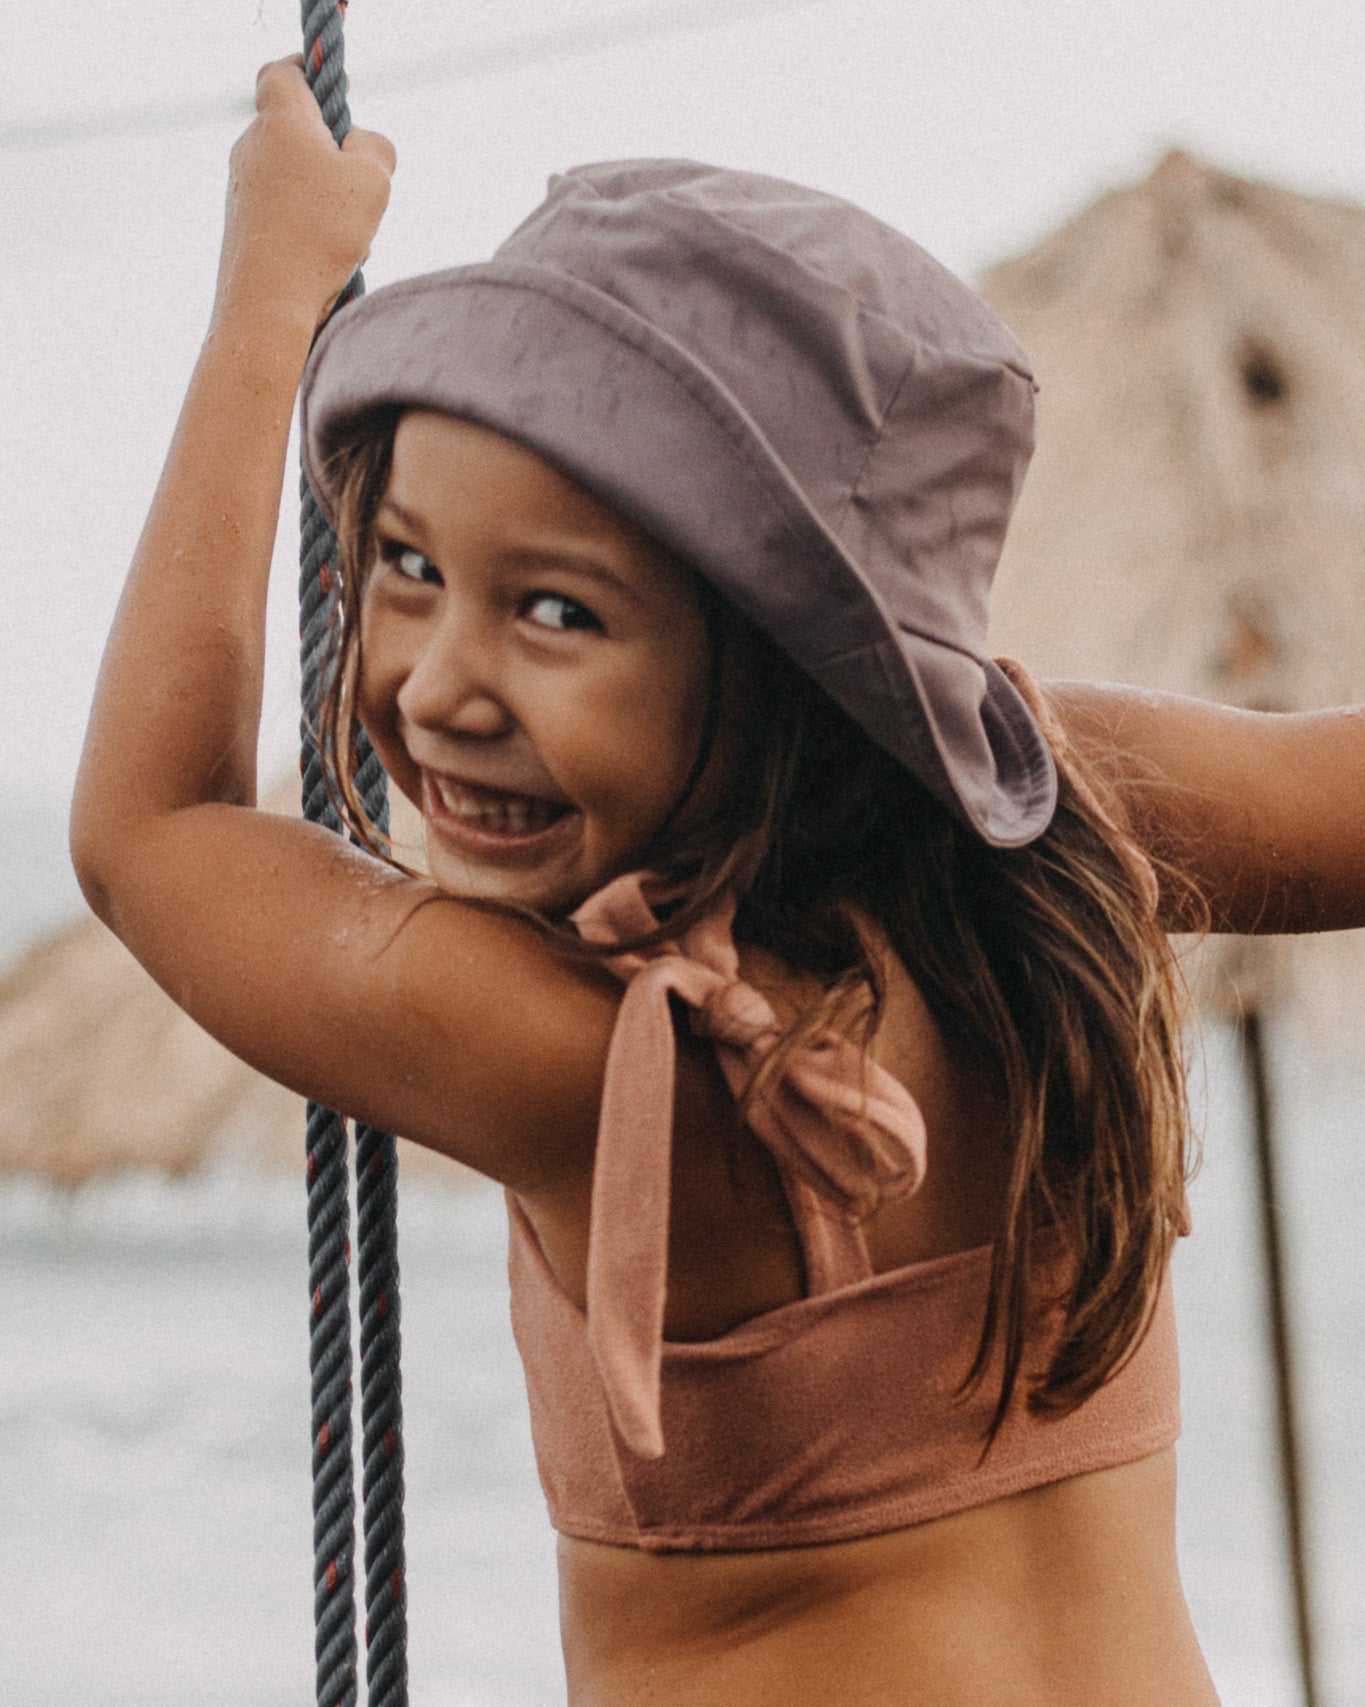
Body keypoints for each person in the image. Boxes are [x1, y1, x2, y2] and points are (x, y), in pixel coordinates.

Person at [70, 59, 1365, 1707]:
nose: (441, 683)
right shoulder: (1055, 823)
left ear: (782, 661)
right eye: (405, 566)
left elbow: (150, 831)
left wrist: (267, 293)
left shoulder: (582, 1058)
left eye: (556, 613)